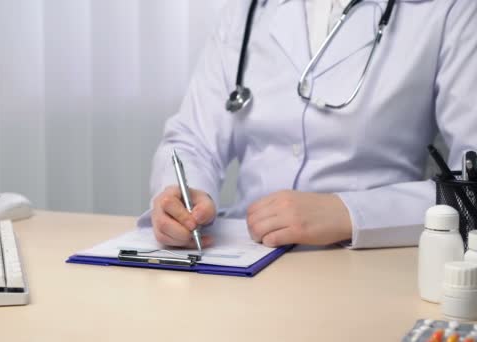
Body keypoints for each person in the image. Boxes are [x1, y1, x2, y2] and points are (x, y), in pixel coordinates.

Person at [140, 0, 477, 249]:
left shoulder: (450, 9)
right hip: (243, 255)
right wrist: (181, 195)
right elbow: (192, 141)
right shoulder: (249, 9)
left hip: (370, 261)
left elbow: (472, 188)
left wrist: (351, 213)